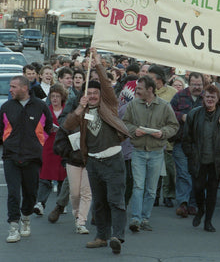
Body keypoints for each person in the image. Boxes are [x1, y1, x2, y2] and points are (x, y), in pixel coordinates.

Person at [63, 48, 130, 254]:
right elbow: (67, 125)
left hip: (113, 161)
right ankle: (101, 236)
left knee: (115, 200)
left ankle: (117, 236)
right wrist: (79, 109)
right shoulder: (82, 111)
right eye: (89, 93)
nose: (92, 96)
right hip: (93, 162)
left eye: (95, 93)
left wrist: (98, 62)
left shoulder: (108, 105)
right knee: (99, 202)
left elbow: (107, 87)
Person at [123, 75, 179, 232]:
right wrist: (134, 131)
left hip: (156, 152)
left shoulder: (164, 106)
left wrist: (162, 133)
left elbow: (174, 126)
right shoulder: (133, 105)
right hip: (138, 151)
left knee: (151, 189)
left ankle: (145, 218)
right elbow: (125, 123)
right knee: (138, 186)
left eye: (140, 88)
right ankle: (135, 218)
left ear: (150, 90)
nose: (137, 91)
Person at [182, 85, 220, 232]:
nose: (210, 99)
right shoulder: (194, 114)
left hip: (217, 159)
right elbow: (186, 137)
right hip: (198, 158)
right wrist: (190, 154)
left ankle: (208, 221)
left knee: (213, 191)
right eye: (207, 96)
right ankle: (201, 210)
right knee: (198, 188)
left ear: (217, 99)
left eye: (213, 97)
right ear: (203, 97)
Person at [2, 76, 53, 243]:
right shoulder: (6, 107)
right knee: (13, 193)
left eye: (14, 86)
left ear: (24, 88)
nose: (10, 90)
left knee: (30, 193)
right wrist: (8, 143)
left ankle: (25, 218)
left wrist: (38, 144)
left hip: (32, 157)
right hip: (11, 156)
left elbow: (48, 127)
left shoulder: (40, 106)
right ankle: (13, 226)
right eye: (10, 86)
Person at [170, 72, 204, 218]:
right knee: (183, 173)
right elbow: (169, 112)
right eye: (194, 84)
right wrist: (181, 116)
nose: (196, 87)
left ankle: (193, 204)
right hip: (182, 141)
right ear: (188, 83)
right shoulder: (179, 96)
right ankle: (183, 203)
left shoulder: (206, 98)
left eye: (199, 85)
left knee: (196, 173)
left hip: (201, 143)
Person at [33, 84, 68, 218]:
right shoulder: (46, 110)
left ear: (62, 98)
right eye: (52, 96)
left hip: (63, 146)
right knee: (45, 176)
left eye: (57, 96)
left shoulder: (67, 110)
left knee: (62, 176)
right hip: (48, 146)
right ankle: (40, 203)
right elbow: (38, 127)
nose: (54, 99)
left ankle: (61, 204)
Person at [147, 65, 178, 208]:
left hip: (167, 138)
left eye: (151, 77)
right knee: (153, 169)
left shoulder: (173, 93)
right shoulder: (147, 92)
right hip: (150, 137)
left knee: (169, 170)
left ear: (159, 79)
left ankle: (169, 195)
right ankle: (154, 195)